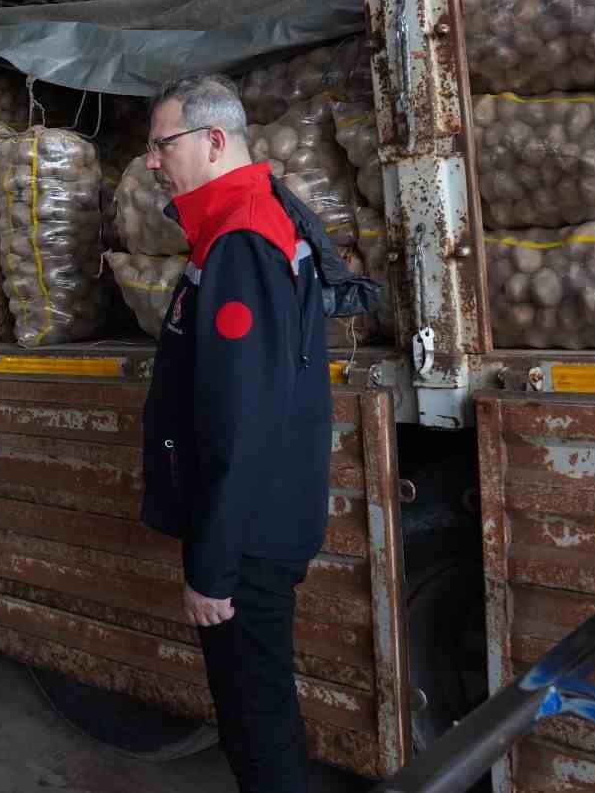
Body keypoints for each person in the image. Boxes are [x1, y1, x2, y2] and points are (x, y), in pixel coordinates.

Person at [139, 75, 373, 793]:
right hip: (261, 518)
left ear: (213, 141)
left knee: (254, 713)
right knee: (256, 703)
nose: (153, 163)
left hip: (246, 534)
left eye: (162, 145)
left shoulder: (241, 238)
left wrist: (214, 564)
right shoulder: (248, 220)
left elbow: (242, 412)